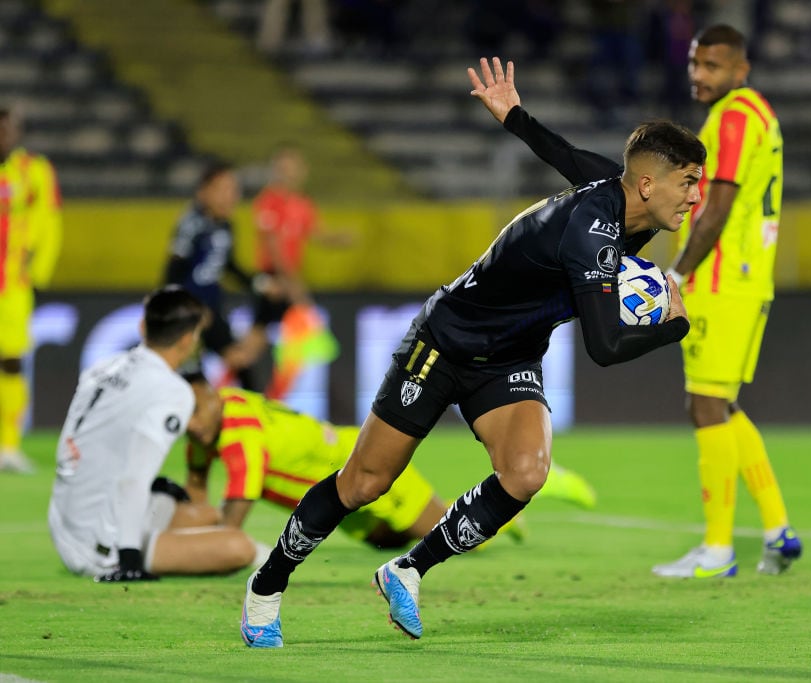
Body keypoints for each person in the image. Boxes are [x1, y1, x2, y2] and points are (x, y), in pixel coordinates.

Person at [239, 72, 704, 646]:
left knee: (526, 472)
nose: (695, 196)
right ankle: (267, 586)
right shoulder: (593, 233)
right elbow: (605, 348)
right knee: (365, 482)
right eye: (687, 182)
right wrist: (673, 326)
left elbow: (565, 154)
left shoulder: (621, 197)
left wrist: (514, 116)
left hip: (508, 356)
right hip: (445, 342)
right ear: (649, 185)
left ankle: (407, 570)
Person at [466, 41, 801, 581]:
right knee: (721, 404)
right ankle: (777, 529)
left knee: (706, 405)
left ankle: (718, 548)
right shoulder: (760, 115)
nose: (697, 73)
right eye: (693, 61)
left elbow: (718, 206)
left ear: (742, 68)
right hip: (748, 277)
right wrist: (516, 117)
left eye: (711, 64)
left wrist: (678, 273)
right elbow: (577, 162)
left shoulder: (734, 118)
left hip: (719, 277)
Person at [182, 374, 595, 550]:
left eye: (197, 411)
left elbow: (240, 500)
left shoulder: (238, 433)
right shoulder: (219, 413)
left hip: (360, 468)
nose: (194, 425)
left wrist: (202, 542)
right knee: (391, 540)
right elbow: (198, 484)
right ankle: (510, 493)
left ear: (212, 395)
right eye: (187, 416)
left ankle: (528, 487)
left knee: (447, 535)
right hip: (338, 482)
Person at [47, 287, 260, 581]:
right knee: (239, 547)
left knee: (207, 515)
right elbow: (134, 477)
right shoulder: (173, 391)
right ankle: (122, 552)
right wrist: (129, 560)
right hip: (97, 543)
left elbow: (86, 444)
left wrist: (157, 486)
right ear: (189, 339)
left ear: (142, 326)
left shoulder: (103, 367)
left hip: (65, 522)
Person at [163, 161, 283, 391]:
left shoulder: (226, 225)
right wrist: (186, 311)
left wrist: (262, 283)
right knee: (190, 377)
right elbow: (173, 273)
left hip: (212, 309)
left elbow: (228, 266)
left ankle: (251, 420)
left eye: (233, 190)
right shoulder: (190, 225)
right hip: (192, 314)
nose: (231, 196)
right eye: (223, 189)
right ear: (204, 192)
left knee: (241, 364)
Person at [251, 145, 350, 398]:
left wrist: (339, 239)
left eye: (294, 167)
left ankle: (272, 400)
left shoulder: (302, 204)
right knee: (259, 343)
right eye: (284, 167)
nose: (290, 173)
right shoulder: (269, 201)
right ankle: (256, 398)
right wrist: (293, 285)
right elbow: (273, 247)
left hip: (290, 280)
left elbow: (317, 233)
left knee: (292, 345)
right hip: (274, 279)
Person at [0, 107, 62, 474]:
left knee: (10, 362)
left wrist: (38, 272)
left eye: (10, 128)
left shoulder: (34, 170)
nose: (5, 135)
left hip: (12, 287)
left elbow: (49, 222)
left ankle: (8, 444)